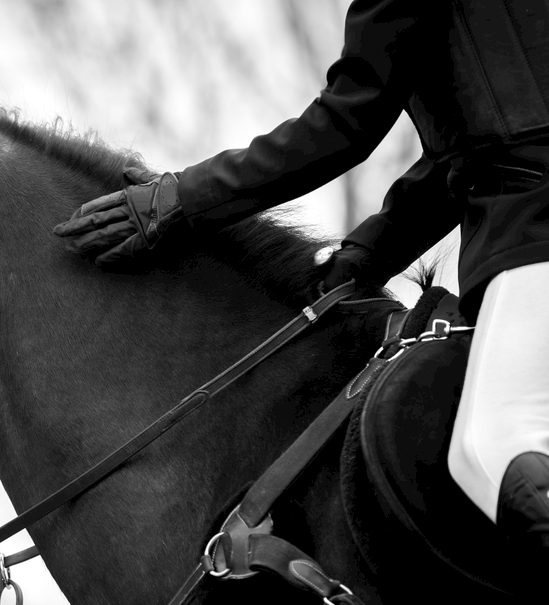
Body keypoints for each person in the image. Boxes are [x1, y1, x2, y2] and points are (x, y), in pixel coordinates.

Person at [53, 0, 549, 558]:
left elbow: (346, 119)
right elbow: (470, 149)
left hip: (535, 228)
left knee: (495, 453)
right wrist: (364, 254)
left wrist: (181, 198)